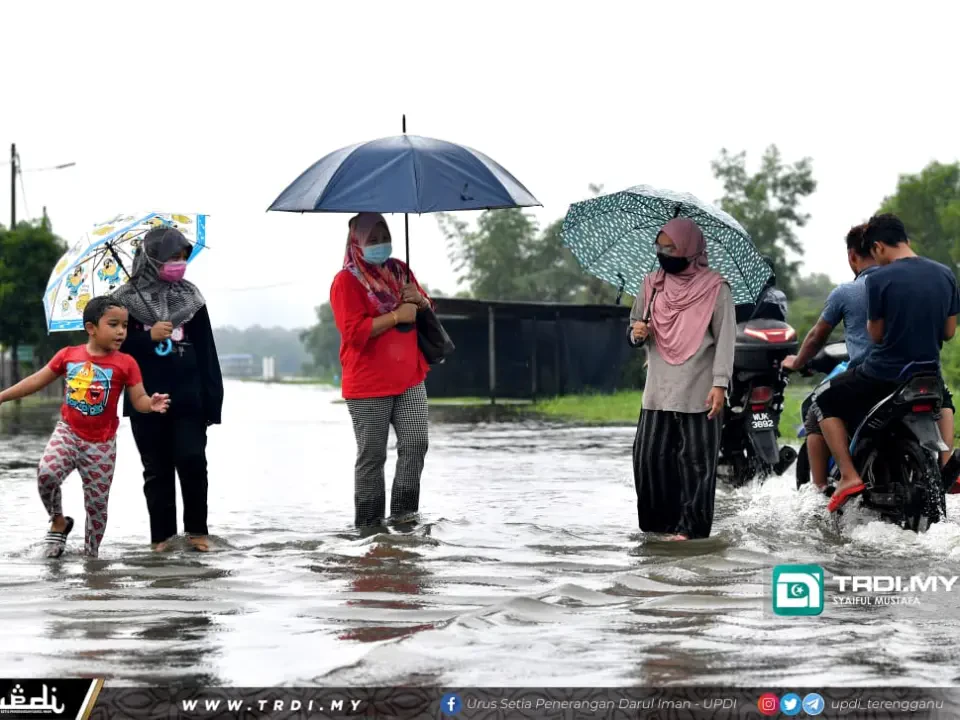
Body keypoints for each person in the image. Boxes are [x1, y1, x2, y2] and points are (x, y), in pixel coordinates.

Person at [810, 214, 960, 512]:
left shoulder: (878, 278)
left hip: (883, 374)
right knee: (944, 400)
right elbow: (949, 331)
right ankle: (947, 462)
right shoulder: (945, 274)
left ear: (878, 247)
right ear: (906, 240)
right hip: (927, 374)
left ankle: (849, 476)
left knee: (823, 399)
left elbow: (875, 335)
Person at [0, 297, 169, 558]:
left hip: (101, 444)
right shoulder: (68, 355)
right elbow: (36, 381)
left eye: (124, 325)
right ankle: (58, 522)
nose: (121, 331)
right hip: (67, 433)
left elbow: (139, 399)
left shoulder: (126, 363)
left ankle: (92, 563)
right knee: (47, 474)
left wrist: (151, 404)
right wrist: (2, 396)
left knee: (97, 508)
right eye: (113, 324)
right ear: (91, 328)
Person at [112, 226, 223, 552]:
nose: (179, 264)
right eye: (171, 258)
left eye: (182, 257)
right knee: (156, 470)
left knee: (192, 460)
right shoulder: (123, 302)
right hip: (143, 398)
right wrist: (148, 338)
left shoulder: (192, 298)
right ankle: (161, 540)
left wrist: (212, 404)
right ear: (152, 259)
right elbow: (113, 347)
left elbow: (207, 352)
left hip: (189, 397)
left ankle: (197, 533)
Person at [629, 218, 736, 541]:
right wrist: (636, 333)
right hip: (659, 388)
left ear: (689, 248)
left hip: (700, 386)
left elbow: (726, 338)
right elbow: (635, 325)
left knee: (697, 461)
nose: (663, 253)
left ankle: (691, 530)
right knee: (649, 458)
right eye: (659, 246)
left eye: (671, 247)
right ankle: (658, 527)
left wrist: (720, 383)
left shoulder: (716, 288)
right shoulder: (651, 285)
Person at [330, 212, 433, 530]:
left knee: (416, 443)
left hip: (409, 376)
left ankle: (404, 520)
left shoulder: (400, 270)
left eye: (384, 237)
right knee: (373, 456)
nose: (380, 245)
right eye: (372, 240)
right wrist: (396, 317)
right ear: (356, 243)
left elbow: (422, 308)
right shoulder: (345, 282)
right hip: (368, 383)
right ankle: (369, 528)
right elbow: (354, 332)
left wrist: (419, 301)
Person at [782, 224, 880, 490]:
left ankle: (824, 487)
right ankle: (943, 464)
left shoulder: (847, 291)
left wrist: (797, 362)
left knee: (818, 407)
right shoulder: (904, 285)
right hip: (917, 372)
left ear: (852, 256)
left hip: (871, 375)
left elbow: (816, 336)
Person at [735, 257, 788, 324]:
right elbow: (783, 321)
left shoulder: (742, 296)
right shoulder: (778, 295)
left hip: (744, 332)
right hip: (772, 332)